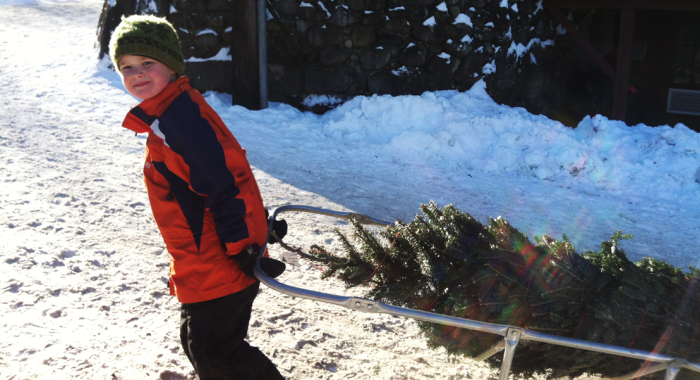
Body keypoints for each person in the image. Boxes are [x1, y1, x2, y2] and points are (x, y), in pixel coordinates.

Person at [109, 14, 287, 380]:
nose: (136, 74)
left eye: (147, 63)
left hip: (218, 259)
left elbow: (224, 181)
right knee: (199, 343)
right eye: (126, 67)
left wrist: (243, 245)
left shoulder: (179, 121)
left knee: (215, 352)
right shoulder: (172, 110)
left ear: (171, 65)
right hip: (199, 258)